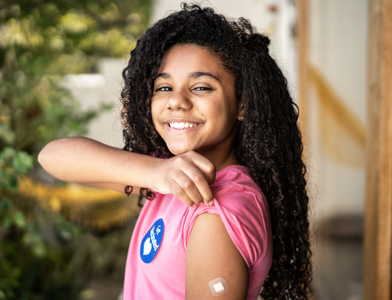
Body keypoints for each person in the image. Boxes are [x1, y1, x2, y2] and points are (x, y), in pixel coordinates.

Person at [39, 4, 312, 300]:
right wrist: (155, 172)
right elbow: (54, 156)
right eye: (164, 87)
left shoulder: (217, 213)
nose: (177, 101)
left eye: (201, 87)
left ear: (243, 104)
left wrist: (158, 174)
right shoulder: (170, 176)